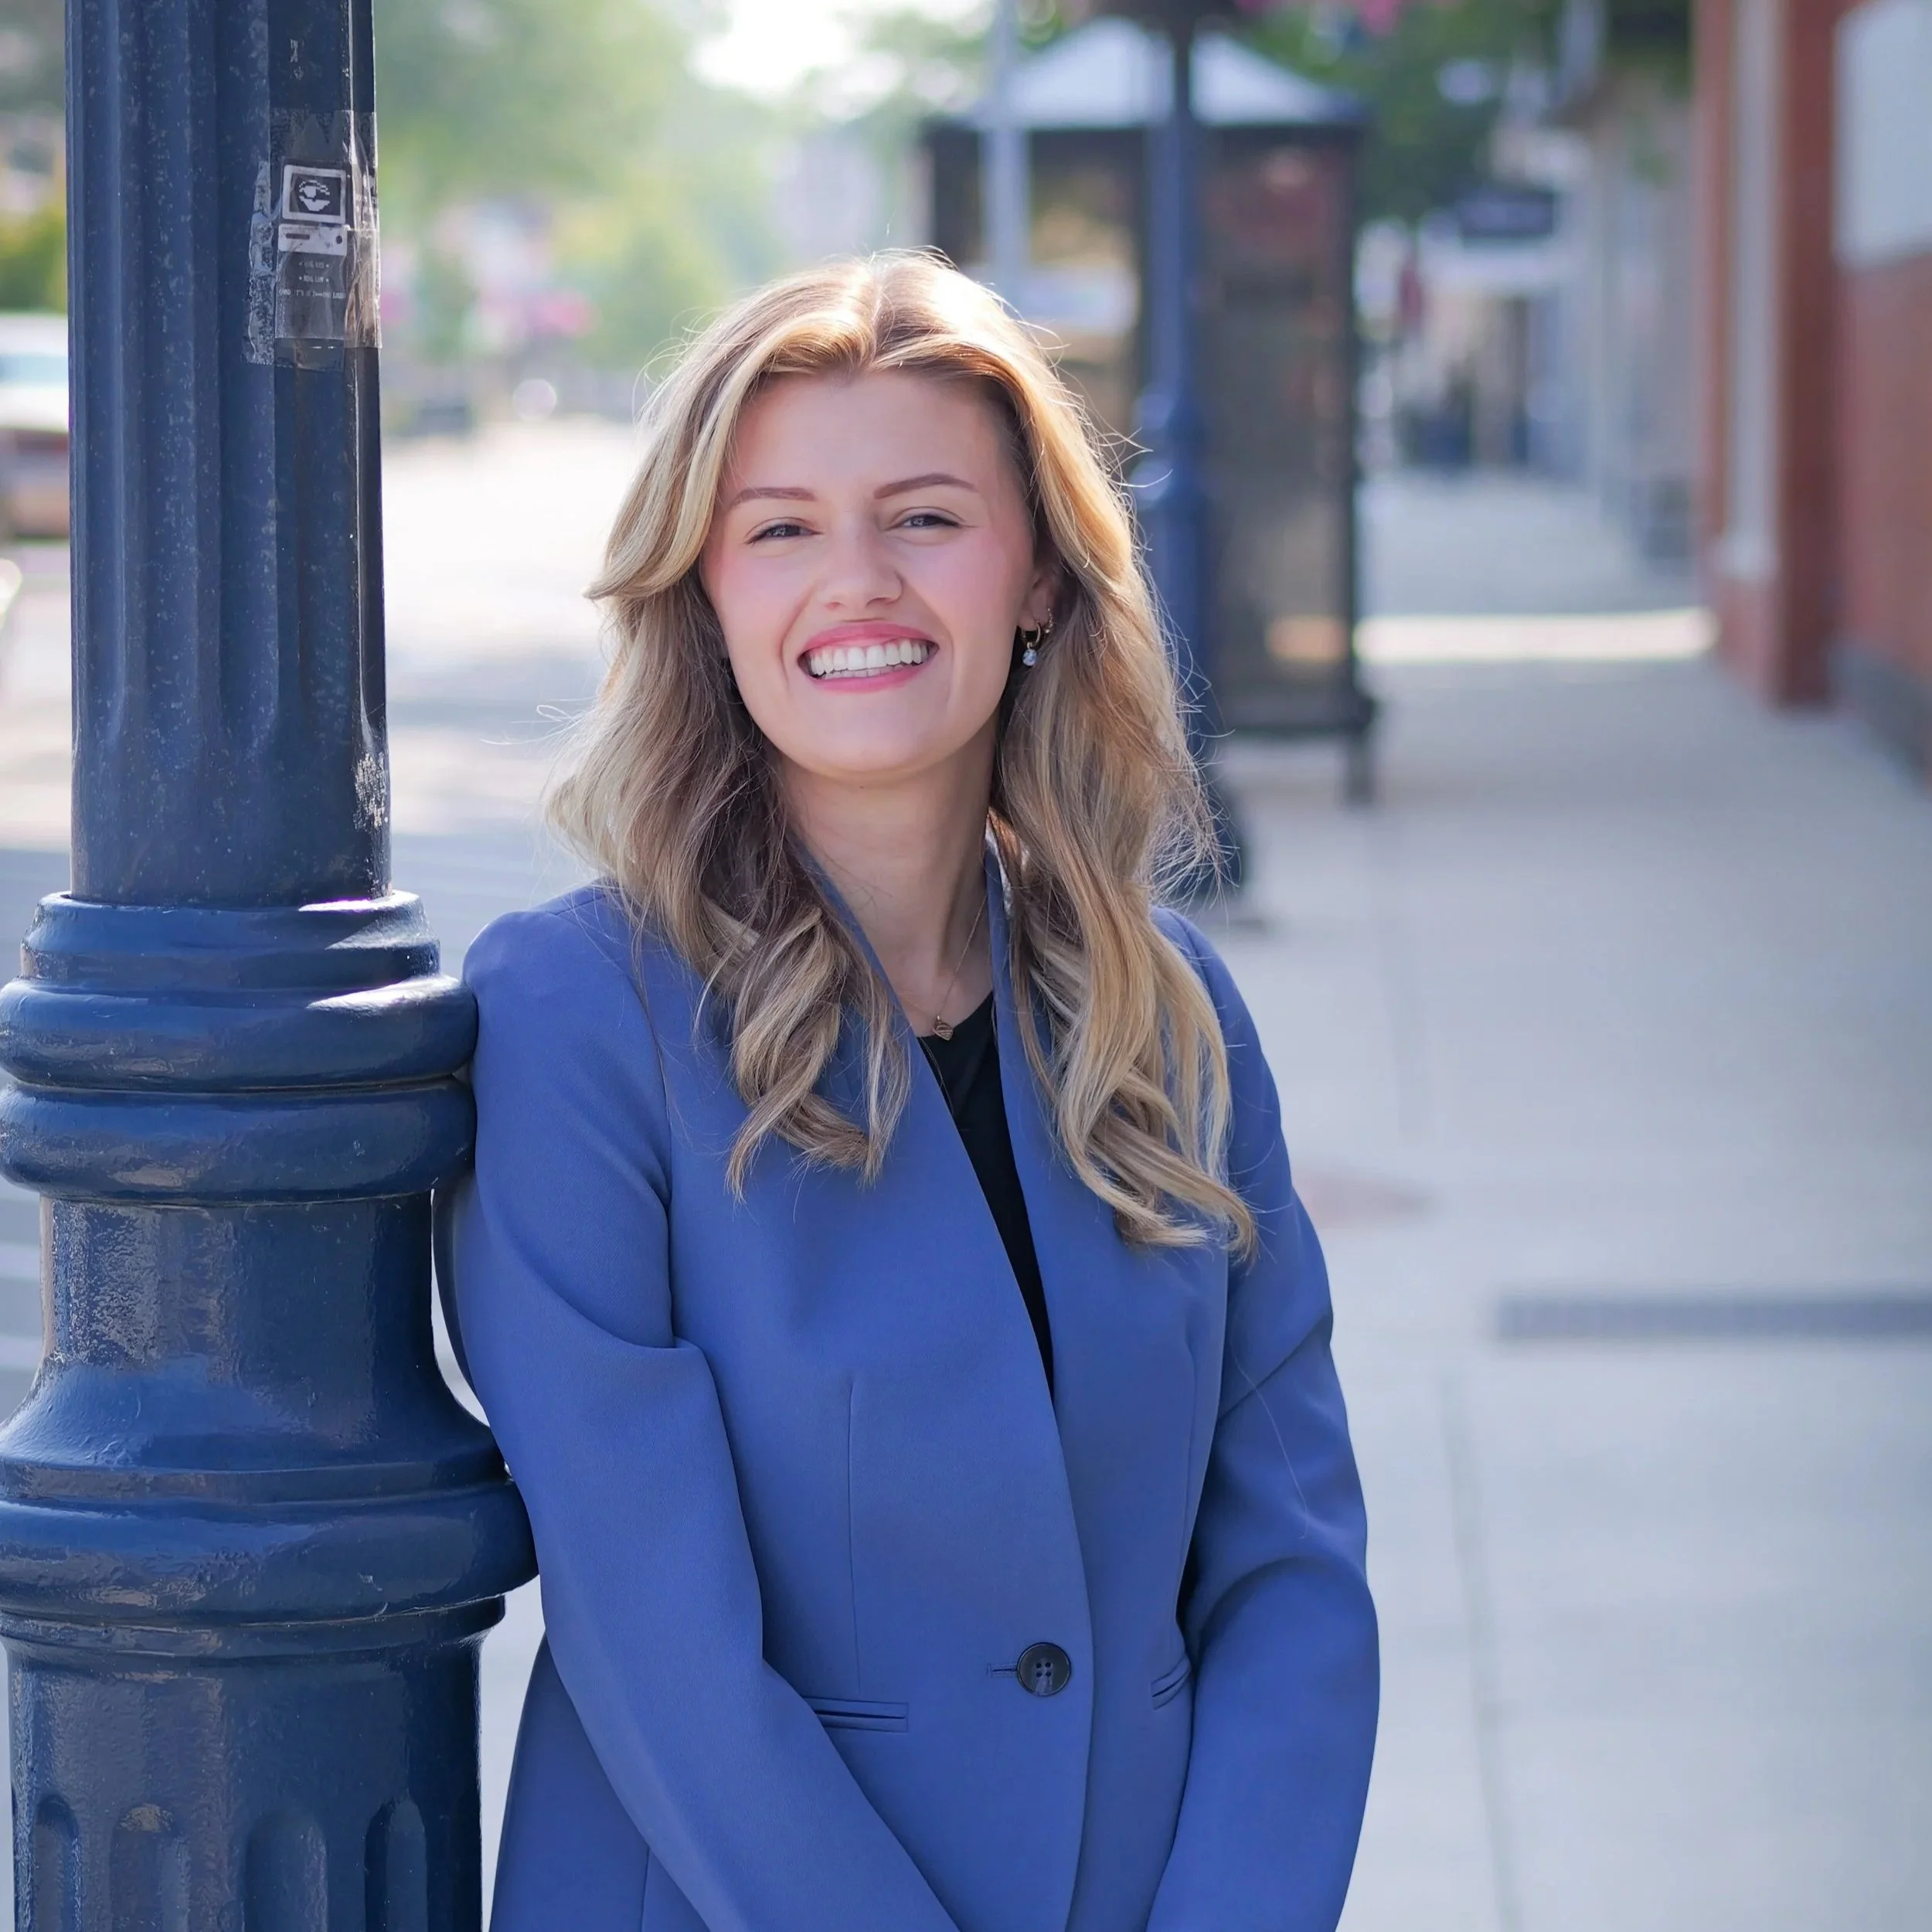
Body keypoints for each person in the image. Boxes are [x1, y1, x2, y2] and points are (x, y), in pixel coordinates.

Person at [439, 253, 1377, 1932]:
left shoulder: (1163, 1011)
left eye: (926, 518)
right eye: (780, 529)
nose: (855, 582)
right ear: (703, 591)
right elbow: (660, 1648)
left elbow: (1288, 1574)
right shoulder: (578, 1020)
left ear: (1038, 575)